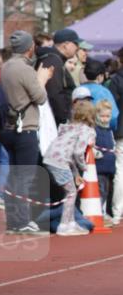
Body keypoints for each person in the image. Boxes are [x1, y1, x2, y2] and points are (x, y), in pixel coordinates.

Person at [0, 31, 53, 234]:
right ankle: (22, 222)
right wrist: (43, 79)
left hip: (8, 126)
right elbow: (40, 98)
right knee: (24, 177)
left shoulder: (5, 67)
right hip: (26, 128)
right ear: (30, 48)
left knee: (13, 176)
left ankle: (13, 221)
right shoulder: (25, 69)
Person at [42, 97, 97, 237]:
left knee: (70, 192)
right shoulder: (86, 130)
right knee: (71, 193)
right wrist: (84, 167)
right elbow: (78, 152)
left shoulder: (67, 127)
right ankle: (64, 225)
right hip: (60, 162)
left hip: (51, 158)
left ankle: (71, 222)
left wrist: (76, 174)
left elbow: (69, 154)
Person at [37, 28, 80, 126]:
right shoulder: (53, 60)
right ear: (66, 45)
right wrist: (63, 118)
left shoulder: (56, 59)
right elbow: (54, 93)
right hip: (53, 121)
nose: (78, 47)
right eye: (76, 44)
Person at [81, 58, 119, 131]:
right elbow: (113, 116)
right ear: (100, 76)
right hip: (99, 130)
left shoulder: (77, 90)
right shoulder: (104, 91)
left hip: (80, 131)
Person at [108, 47, 123, 226]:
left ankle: (118, 211)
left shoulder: (116, 80)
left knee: (121, 170)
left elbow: (111, 108)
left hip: (120, 130)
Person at [94, 99, 116, 220]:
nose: (105, 119)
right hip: (99, 168)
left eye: (107, 116)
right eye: (102, 116)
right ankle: (99, 212)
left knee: (106, 191)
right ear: (97, 115)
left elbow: (112, 145)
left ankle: (103, 211)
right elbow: (91, 146)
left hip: (109, 168)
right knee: (100, 190)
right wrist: (96, 153)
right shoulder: (95, 130)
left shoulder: (109, 131)